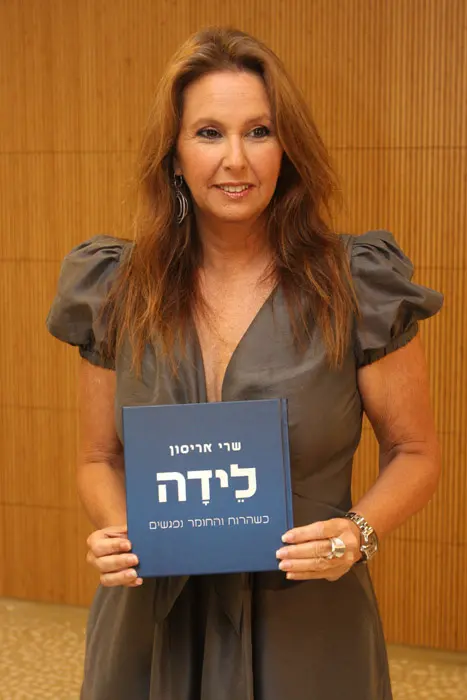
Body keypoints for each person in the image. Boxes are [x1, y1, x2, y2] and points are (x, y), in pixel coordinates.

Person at [46, 26, 443, 700]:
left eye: (258, 131)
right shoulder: (116, 289)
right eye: (209, 133)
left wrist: (356, 535)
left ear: (287, 147)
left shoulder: (355, 285)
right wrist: (118, 531)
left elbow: (416, 451)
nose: (236, 159)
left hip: (307, 620)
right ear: (174, 154)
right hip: (151, 621)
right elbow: (97, 457)